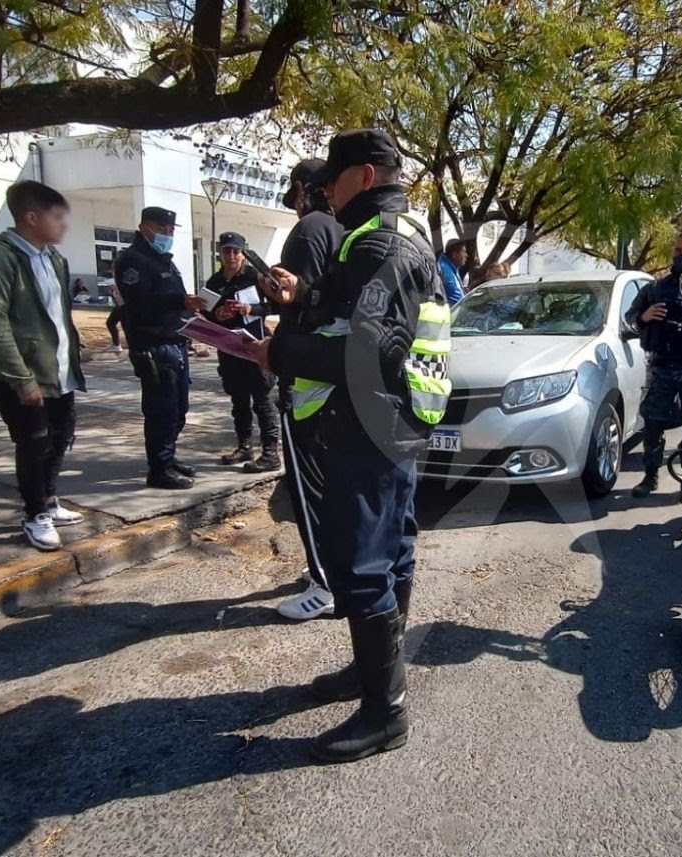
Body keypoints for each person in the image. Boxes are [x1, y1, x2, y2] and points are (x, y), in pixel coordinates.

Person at [253, 128, 451, 763]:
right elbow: (359, 311)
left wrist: (279, 351)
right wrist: (303, 294)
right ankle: (371, 676)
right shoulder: (390, 236)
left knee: (365, 566)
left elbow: (369, 351)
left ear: (364, 176)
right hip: (394, 422)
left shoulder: (382, 242)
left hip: (370, 422)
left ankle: (384, 712)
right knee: (394, 552)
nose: (321, 193)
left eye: (330, 181)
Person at [0, 181, 86, 551]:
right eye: (57, 217)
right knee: (33, 442)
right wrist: (22, 379)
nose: (64, 224)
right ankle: (34, 514)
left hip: (57, 370)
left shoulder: (54, 258)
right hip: (21, 374)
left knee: (60, 436)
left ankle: (50, 501)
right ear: (31, 217)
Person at [264, 158, 344, 622]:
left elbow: (300, 310)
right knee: (332, 487)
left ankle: (324, 582)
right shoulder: (343, 229)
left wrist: (274, 350)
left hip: (307, 385)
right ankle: (332, 569)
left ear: (302, 189)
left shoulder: (310, 229)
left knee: (309, 487)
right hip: (338, 383)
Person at [115, 206, 205, 490]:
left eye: (170, 230)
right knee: (161, 410)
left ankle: (169, 456)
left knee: (179, 408)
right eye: (162, 229)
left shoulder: (163, 259)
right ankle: (159, 467)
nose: (167, 234)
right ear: (145, 227)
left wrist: (190, 312)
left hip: (175, 341)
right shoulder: (134, 260)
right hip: (154, 345)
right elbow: (139, 304)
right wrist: (180, 303)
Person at [624, 230, 682, 501]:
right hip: (661, 365)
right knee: (652, 423)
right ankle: (650, 476)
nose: (681, 255)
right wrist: (644, 316)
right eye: (677, 250)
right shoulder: (654, 288)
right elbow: (629, 318)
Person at [205, 231, 280, 472]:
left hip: (255, 348)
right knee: (238, 401)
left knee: (262, 400)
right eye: (226, 251)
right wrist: (217, 315)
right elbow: (206, 313)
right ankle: (244, 445)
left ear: (244, 253)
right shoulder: (214, 282)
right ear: (220, 252)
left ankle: (270, 453)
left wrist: (251, 308)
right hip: (229, 349)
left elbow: (276, 304)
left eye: (236, 251)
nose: (231, 256)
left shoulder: (255, 277)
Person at [436, 239, 468, 304]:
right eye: (463, 252)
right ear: (454, 255)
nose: (466, 255)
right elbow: (459, 301)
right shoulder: (446, 272)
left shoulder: (450, 265)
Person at [105, 283, 126, 350]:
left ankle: (117, 345)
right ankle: (116, 344)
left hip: (124, 306)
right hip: (120, 305)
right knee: (110, 323)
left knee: (129, 327)